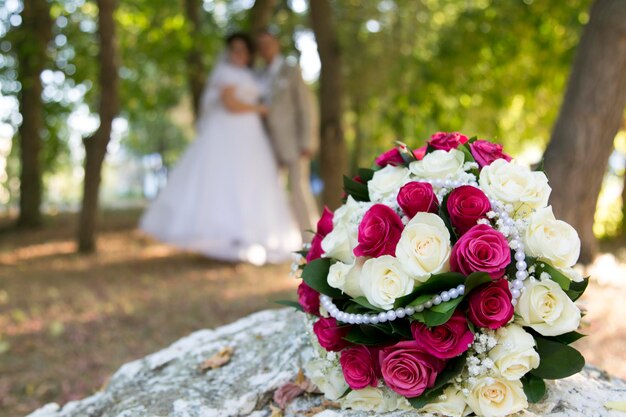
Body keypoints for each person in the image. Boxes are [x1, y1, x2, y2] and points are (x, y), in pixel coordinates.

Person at [140, 33, 301, 265]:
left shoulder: (250, 75)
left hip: (251, 136)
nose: (238, 54)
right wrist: (260, 110)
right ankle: (228, 240)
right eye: (234, 49)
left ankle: (250, 238)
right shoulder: (225, 74)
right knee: (227, 183)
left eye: (242, 50)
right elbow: (230, 104)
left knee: (251, 184)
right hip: (231, 132)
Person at [256, 30, 320, 241]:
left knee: (300, 192)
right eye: (261, 45)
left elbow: (305, 107)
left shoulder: (291, 70)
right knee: (271, 193)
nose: (266, 48)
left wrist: (308, 140)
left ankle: (311, 240)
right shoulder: (259, 75)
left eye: (269, 43)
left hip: (294, 142)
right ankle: (277, 238)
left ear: (276, 44)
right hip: (267, 145)